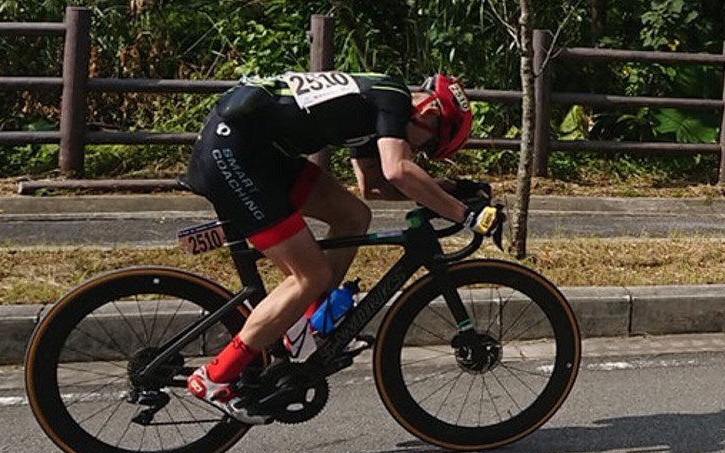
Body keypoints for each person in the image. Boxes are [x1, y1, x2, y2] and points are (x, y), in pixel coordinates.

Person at [183, 70, 498, 423]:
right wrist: (467, 215)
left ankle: (305, 329)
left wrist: (451, 190)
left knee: (352, 215)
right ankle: (215, 377)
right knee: (310, 275)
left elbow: (374, 186)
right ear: (429, 113)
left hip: (259, 152)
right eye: (426, 144)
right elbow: (398, 171)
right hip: (237, 155)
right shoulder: (392, 98)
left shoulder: (376, 105)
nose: (419, 151)